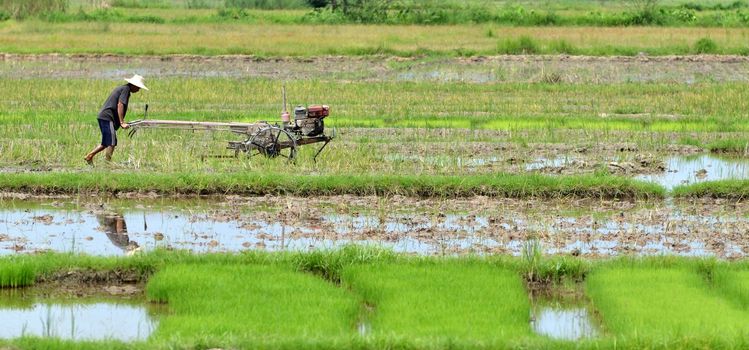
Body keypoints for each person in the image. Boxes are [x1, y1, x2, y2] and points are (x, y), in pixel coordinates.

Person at [84, 74, 148, 164]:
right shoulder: (126, 90)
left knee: (106, 142)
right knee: (112, 142)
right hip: (107, 117)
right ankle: (107, 164)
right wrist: (122, 122)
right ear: (134, 85)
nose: (139, 89)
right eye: (138, 87)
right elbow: (120, 104)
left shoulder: (123, 89)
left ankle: (89, 156)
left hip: (104, 117)